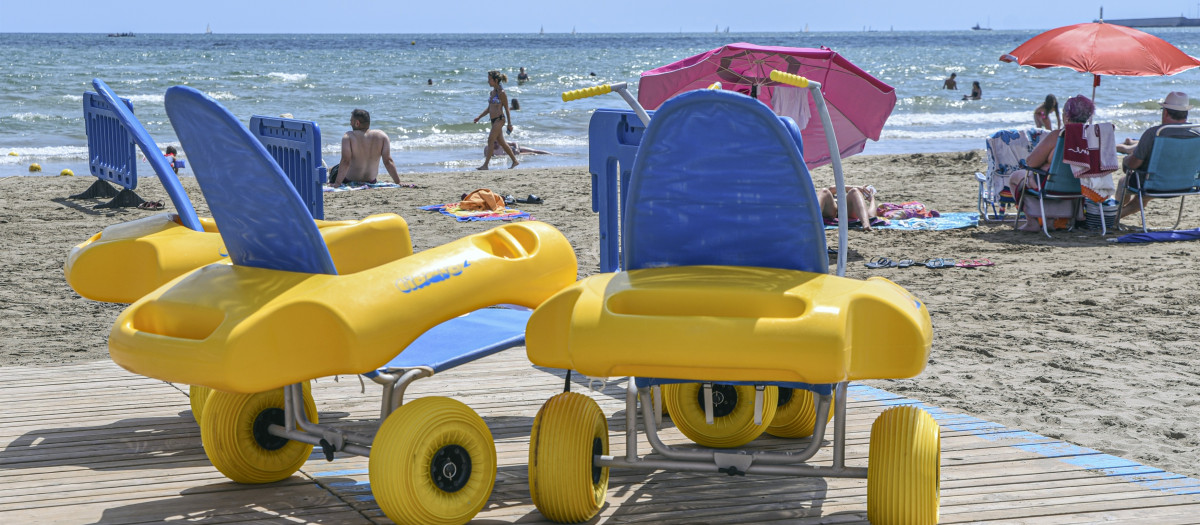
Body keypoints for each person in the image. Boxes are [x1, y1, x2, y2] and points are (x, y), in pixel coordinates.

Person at [1116, 91, 1196, 217]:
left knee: (1123, 182)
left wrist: (1125, 161)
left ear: (1165, 112)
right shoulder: (1196, 133)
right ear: (1186, 113)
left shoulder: (1154, 134)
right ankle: (1115, 216)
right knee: (1141, 198)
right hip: (1185, 185)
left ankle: (1110, 216)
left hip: (1154, 185)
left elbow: (1134, 163)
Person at [331, 108, 400, 185]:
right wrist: (398, 182)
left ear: (357, 123)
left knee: (334, 169)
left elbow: (345, 161)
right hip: (371, 180)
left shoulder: (348, 136)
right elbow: (388, 161)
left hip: (349, 180)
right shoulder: (382, 136)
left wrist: (337, 183)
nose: (350, 124)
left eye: (351, 121)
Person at [473, 70, 519, 170]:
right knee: (502, 142)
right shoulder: (492, 92)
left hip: (500, 119)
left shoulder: (502, 93)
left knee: (490, 140)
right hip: (493, 120)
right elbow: (489, 108)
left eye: (490, 79)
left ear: (496, 80)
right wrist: (479, 117)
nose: (488, 81)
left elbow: (507, 108)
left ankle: (485, 165)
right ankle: (515, 161)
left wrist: (509, 124)